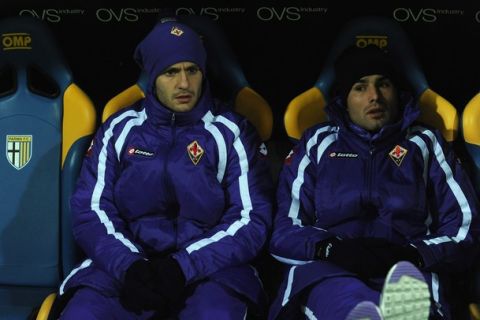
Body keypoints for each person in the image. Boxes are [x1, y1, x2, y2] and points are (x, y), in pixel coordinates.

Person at [56, 18, 273, 320]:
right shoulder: (119, 130)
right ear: (153, 76)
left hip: (211, 271)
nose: (184, 84)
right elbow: (90, 210)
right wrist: (128, 265)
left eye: (192, 70)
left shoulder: (232, 132)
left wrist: (182, 267)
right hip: (126, 267)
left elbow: (251, 219)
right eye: (171, 72)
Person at [267, 44, 480, 320]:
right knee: (350, 308)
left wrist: (415, 254)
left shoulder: (424, 143)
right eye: (360, 87)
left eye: (384, 84)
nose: (374, 97)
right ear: (345, 98)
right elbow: (284, 230)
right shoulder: (318, 142)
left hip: (408, 271)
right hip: (331, 270)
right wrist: (330, 248)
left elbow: (465, 226)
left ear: (397, 93)